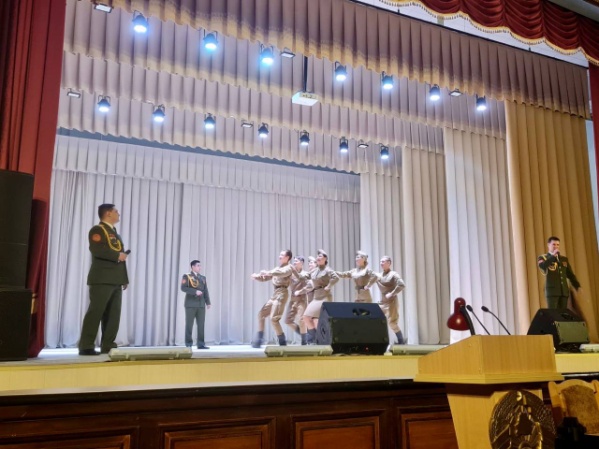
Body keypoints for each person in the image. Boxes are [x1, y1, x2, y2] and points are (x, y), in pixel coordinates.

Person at [78, 204, 129, 356]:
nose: (118, 213)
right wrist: (117, 256)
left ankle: (108, 344)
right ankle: (86, 345)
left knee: (113, 315)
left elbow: (121, 257)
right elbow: (97, 250)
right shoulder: (98, 230)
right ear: (108, 213)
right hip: (102, 278)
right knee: (96, 312)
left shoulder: (114, 232)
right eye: (116, 211)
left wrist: (124, 278)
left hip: (115, 279)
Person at [251, 249, 294, 347]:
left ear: (287, 257)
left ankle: (282, 342)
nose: (279, 256)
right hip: (275, 294)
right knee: (261, 314)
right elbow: (266, 277)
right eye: (280, 254)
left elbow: (281, 273)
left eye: (282, 255)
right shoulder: (277, 269)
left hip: (282, 293)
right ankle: (259, 339)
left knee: (274, 319)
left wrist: (268, 272)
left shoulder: (288, 268)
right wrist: (257, 277)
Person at [295, 249, 339, 344]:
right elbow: (303, 277)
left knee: (316, 320)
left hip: (325, 296)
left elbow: (336, 277)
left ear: (325, 259)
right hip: (316, 296)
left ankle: (323, 340)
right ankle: (316, 338)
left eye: (320, 256)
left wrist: (329, 286)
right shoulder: (315, 270)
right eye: (317, 256)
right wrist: (293, 271)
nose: (318, 257)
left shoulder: (328, 270)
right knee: (306, 317)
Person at [537, 236, 581, 309]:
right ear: (548, 245)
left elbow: (570, 274)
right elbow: (543, 266)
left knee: (563, 314)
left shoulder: (563, 259)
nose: (556, 246)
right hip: (552, 292)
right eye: (553, 244)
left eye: (557, 245)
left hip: (563, 292)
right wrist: (553, 256)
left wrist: (577, 286)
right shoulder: (543, 258)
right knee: (553, 313)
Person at [180, 260, 211, 349]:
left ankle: (201, 344)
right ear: (193, 267)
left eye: (200, 266)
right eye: (198, 266)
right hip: (191, 304)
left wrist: (208, 302)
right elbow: (183, 288)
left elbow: (205, 290)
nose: (200, 267)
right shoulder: (187, 276)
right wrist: (195, 292)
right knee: (189, 324)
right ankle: (188, 344)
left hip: (201, 304)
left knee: (201, 325)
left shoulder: (203, 278)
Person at [375, 256, 406, 344]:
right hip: (382, 303)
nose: (381, 263)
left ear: (389, 263)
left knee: (392, 323)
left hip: (391, 302)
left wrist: (392, 293)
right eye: (380, 261)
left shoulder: (393, 274)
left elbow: (401, 285)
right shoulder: (379, 275)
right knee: (376, 320)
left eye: (383, 261)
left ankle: (401, 341)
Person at [286, 256, 310, 345]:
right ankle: (304, 335)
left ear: (301, 263)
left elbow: (305, 282)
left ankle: (304, 341)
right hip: (293, 299)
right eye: (294, 261)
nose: (294, 262)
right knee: (288, 320)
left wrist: (300, 291)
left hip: (302, 299)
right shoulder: (290, 274)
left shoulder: (306, 274)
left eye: (296, 261)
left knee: (301, 320)